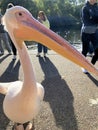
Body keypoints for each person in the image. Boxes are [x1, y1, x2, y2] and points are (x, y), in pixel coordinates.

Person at [81, 0, 98, 73]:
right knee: (85, 51)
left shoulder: (97, 8)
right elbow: (86, 21)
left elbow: (93, 19)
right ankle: (84, 66)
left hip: (95, 32)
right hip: (86, 32)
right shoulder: (85, 8)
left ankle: (91, 65)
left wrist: (93, 18)